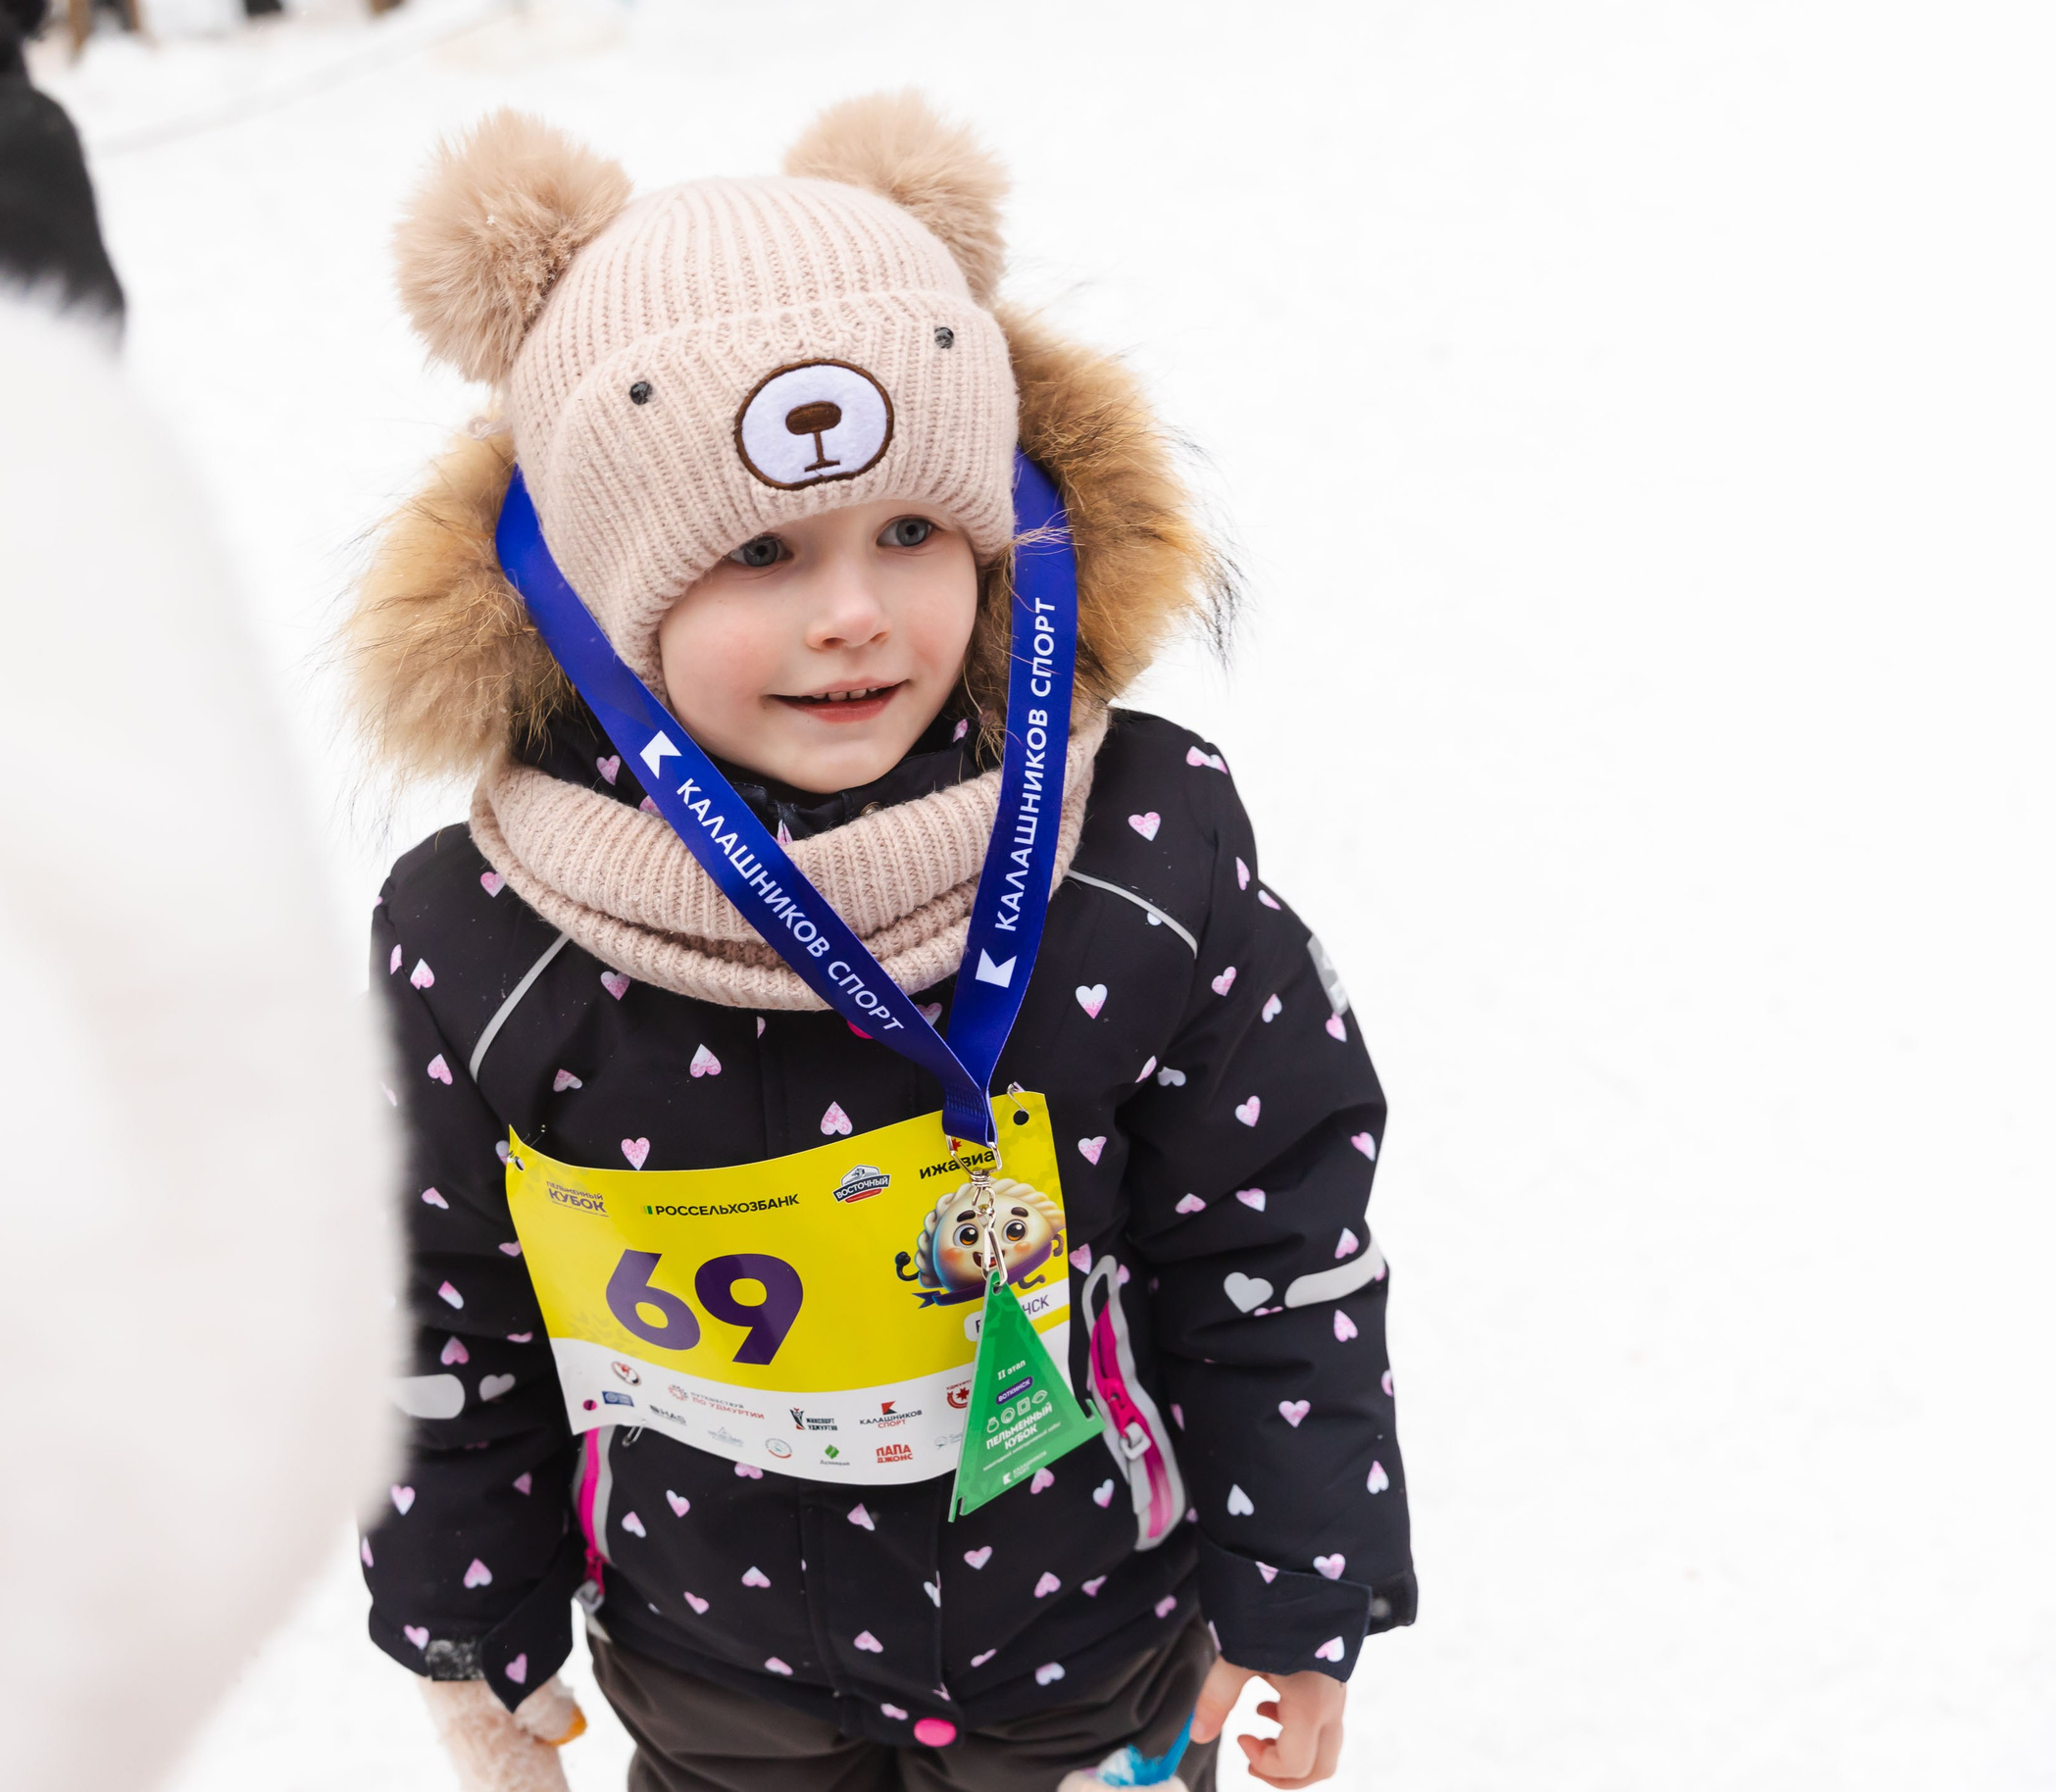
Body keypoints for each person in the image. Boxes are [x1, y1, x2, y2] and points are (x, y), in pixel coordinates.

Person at [350, 95, 1414, 1792]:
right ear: (604, 597)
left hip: (1090, 1656)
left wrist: (1298, 1590)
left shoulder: (1136, 863)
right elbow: (440, 1309)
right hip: (717, 1685)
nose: (854, 611)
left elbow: (1269, 1241)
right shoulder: (489, 944)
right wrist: (470, 1639)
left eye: (913, 531)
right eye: (761, 553)